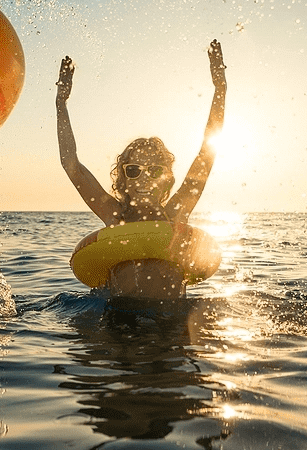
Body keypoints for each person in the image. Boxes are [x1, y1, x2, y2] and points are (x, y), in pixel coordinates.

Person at [56, 40, 227, 298]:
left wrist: (220, 89)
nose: (145, 178)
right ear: (123, 180)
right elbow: (72, 165)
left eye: (155, 170)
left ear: (167, 180)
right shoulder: (114, 215)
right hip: (120, 322)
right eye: (134, 170)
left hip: (171, 322)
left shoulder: (176, 213)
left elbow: (206, 154)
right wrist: (61, 104)